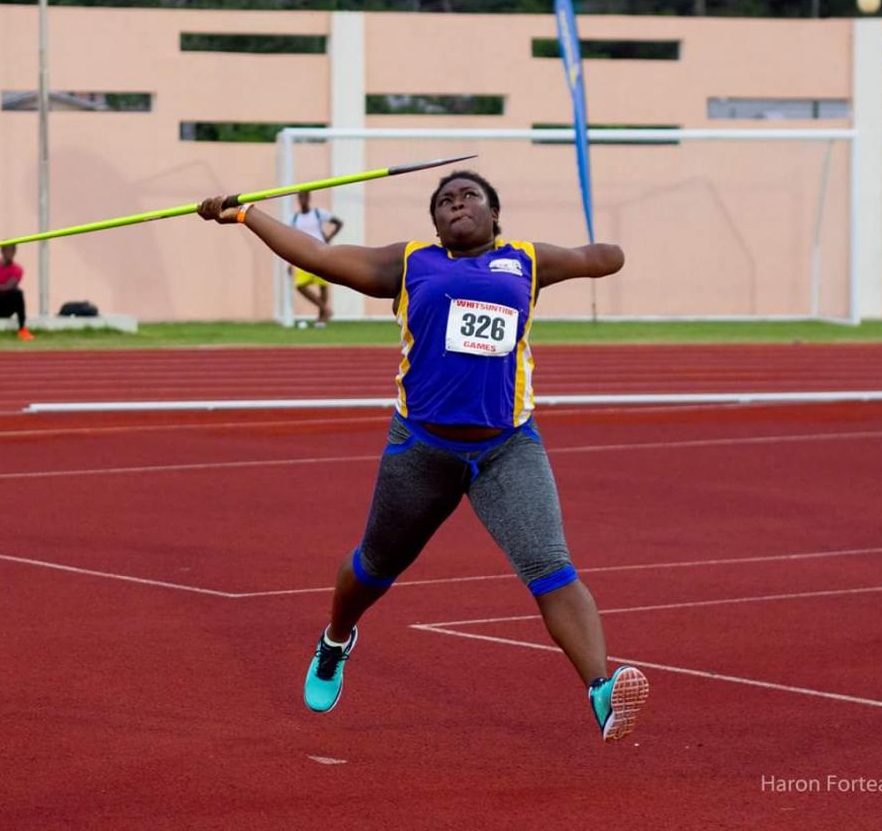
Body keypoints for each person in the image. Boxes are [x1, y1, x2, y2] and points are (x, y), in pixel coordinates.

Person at [196, 170, 649, 743]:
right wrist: (245, 214)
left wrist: (598, 253)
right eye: (444, 202)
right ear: (434, 223)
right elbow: (317, 253)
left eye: (470, 197)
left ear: (494, 214)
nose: (457, 204)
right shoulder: (411, 264)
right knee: (373, 568)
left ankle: (601, 690)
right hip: (422, 448)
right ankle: (336, 640)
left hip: (507, 449)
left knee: (551, 569)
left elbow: (605, 258)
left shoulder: (526, 261)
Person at [288, 190, 343, 326]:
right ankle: (325, 309)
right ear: (298, 199)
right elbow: (290, 241)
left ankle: (321, 318)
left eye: (305, 197)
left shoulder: (318, 214)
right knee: (300, 286)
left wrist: (329, 237)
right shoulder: (294, 219)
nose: (303, 200)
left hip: (321, 253)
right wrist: (290, 263)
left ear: (309, 197)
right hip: (303, 256)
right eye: (300, 197)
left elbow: (338, 223)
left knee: (323, 286)